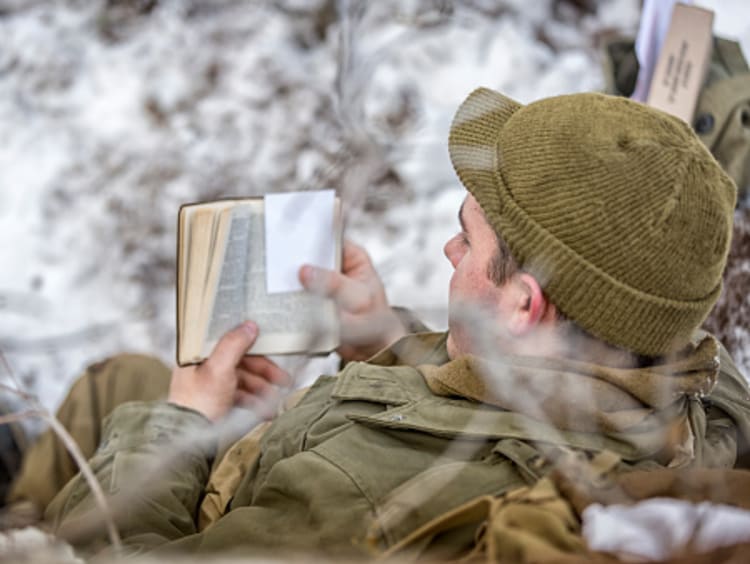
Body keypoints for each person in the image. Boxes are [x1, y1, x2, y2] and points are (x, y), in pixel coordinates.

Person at [18, 87, 750, 559]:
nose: (448, 249)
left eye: (470, 238)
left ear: (527, 305)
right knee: (123, 380)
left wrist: (179, 423)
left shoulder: (364, 504)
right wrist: (384, 343)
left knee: (116, 393)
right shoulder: (704, 397)